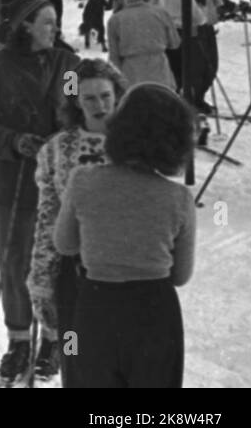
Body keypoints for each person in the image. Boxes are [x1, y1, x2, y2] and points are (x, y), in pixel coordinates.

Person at [0, 0, 79, 383]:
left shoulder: (68, 65)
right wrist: (14, 141)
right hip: (10, 181)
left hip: (60, 184)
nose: (55, 29)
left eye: (56, 22)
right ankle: (18, 342)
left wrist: (64, 137)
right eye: (48, 22)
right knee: (14, 264)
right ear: (26, 25)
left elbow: (79, 110)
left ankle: (53, 341)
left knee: (56, 265)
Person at [54, 83, 196, 388]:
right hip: (155, 314)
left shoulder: (83, 182)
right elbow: (181, 275)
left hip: (95, 308)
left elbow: (64, 244)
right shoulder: (178, 198)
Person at [28, 59, 129, 386]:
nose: (100, 105)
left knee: (122, 360)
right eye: (89, 99)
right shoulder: (57, 150)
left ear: (118, 94)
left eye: (106, 96)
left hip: (129, 269)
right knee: (75, 352)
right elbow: (48, 216)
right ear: (76, 102)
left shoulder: (138, 144)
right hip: (76, 269)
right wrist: (41, 273)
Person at [107, 0, 178, 88]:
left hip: (132, 76)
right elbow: (174, 43)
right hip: (161, 73)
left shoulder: (115, 20)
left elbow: (113, 58)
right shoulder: (161, 13)